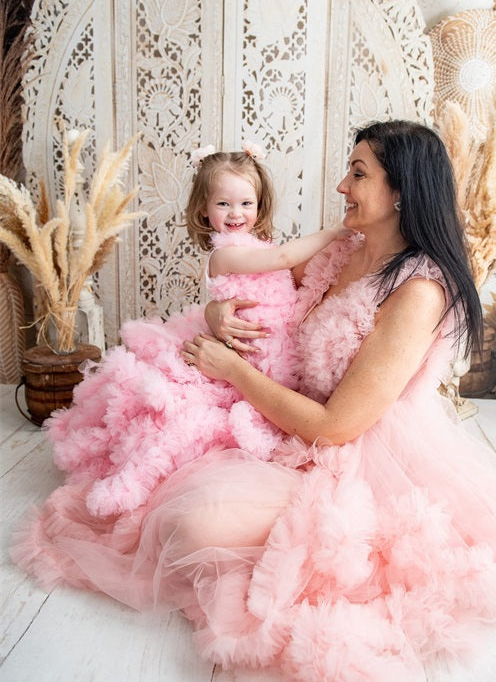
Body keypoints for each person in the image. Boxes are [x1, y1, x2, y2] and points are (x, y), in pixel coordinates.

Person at [11, 121, 496, 682]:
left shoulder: (417, 291)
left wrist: (229, 367)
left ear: (401, 193)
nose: (341, 185)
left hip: (349, 449)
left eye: (358, 174)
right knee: (148, 420)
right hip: (279, 403)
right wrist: (218, 315)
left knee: (194, 520)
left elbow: (336, 426)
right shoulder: (346, 248)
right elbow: (266, 296)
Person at [43, 141, 347, 517]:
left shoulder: (255, 243)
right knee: (185, 422)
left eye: (245, 203)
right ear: (204, 211)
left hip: (272, 354)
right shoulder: (225, 253)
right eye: (223, 204)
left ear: (260, 205)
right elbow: (281, 259)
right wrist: (336, 230)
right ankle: (132, 483)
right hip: (243, 356)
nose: (235, 213)